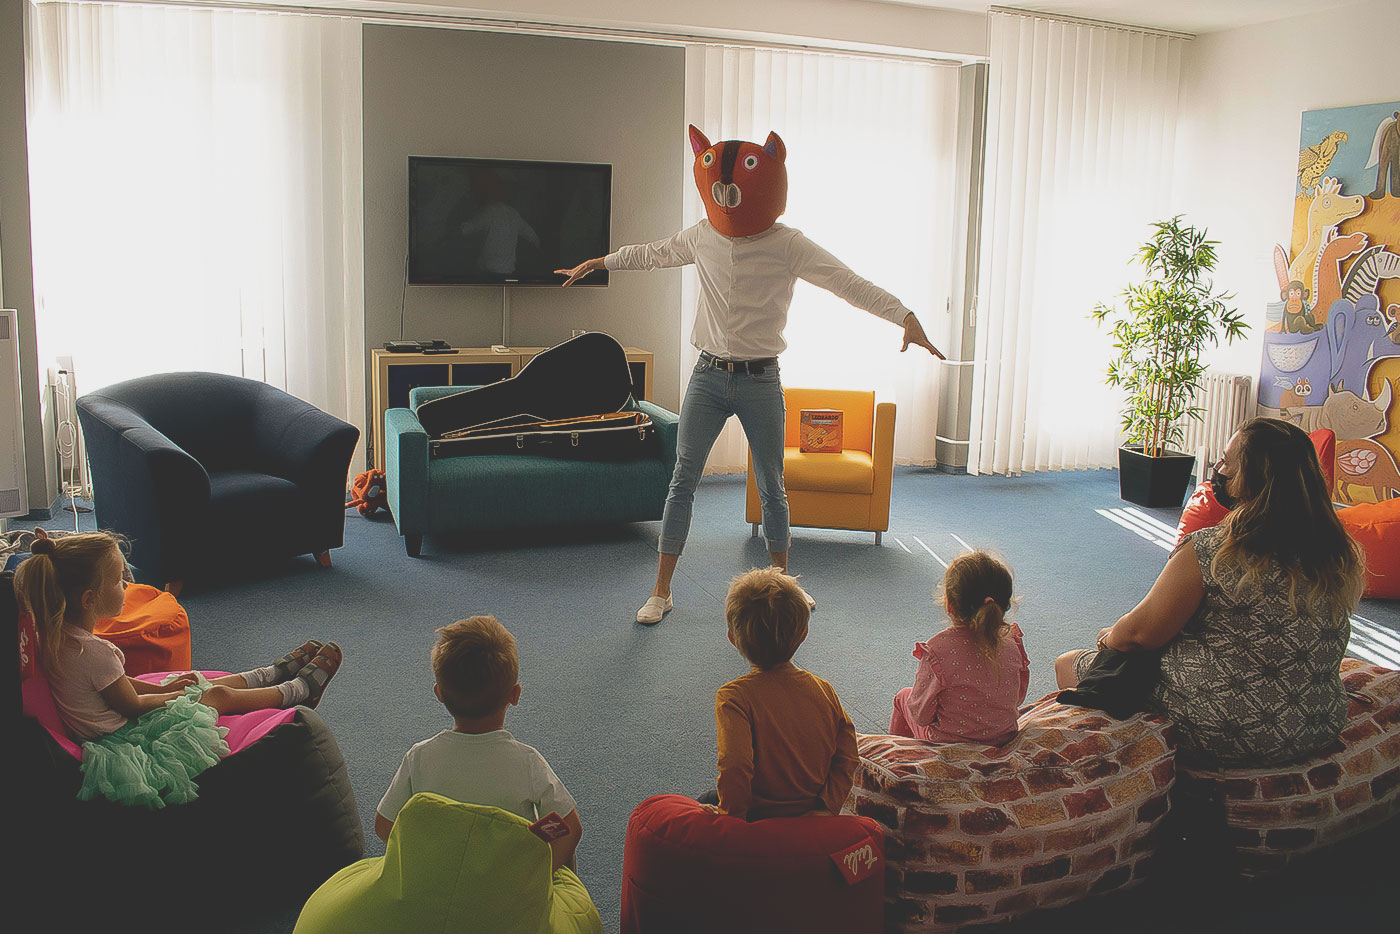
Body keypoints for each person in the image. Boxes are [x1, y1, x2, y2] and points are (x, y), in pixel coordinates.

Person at [558, 125, 944, 625]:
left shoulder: (789, 244)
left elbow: (847, 283)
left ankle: (785, 585)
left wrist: (903, 315)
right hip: (708, 376)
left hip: (761, 380)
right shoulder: (702, 235)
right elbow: (652, 253)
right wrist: (601, 261)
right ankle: (661, 592)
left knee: (772, 486)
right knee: (682, 481)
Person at [1054, 417, 1366, 767]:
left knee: (1068, 663)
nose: (1218, 469)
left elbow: (1140, 635)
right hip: (1318, 722)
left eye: (1227, 462)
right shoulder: (1338, 551)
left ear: (1253, 477)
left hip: (1226, 731)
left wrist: (1108, 637)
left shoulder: (1215, 550)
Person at [14, 528, 342, 806]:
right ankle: (298, 691)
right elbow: (131, 704)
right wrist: (175, 696)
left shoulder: (59, 636)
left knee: (193, 680)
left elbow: (118, 683)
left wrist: (166, 687)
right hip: (123, 737)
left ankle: (272, 673)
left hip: (112, 723)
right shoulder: (94, 652)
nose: (126, 587)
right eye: (116, 581)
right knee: (215, 696)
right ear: (88, 599)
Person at [376, 616, 583, 873]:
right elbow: (571, 828)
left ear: (439, 693)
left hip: (441, 880)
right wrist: (534, 877)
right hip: (507, 881)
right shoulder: (528, 762)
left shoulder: (418, 757)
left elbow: (383, 824)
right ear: (515, 695)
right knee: (564, 850)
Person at [702, 567, 859, 821]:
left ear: (732, 638)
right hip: (811, 811)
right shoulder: (824, 689)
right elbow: (848, 753)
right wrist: (827, 807)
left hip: (758, 816)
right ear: (804, 633)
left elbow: (735, 765)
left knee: (702, 801)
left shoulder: (734, 697)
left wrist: (731, 820)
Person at [889, 551, 1030, 744]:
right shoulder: (1012, 642)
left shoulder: (938, 651)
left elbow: (920, 715)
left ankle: (895, 754)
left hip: (949, 746)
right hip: (1002, 738)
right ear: (1004, 605)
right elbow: (1018, 698)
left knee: (902, 698)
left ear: (950, 605)